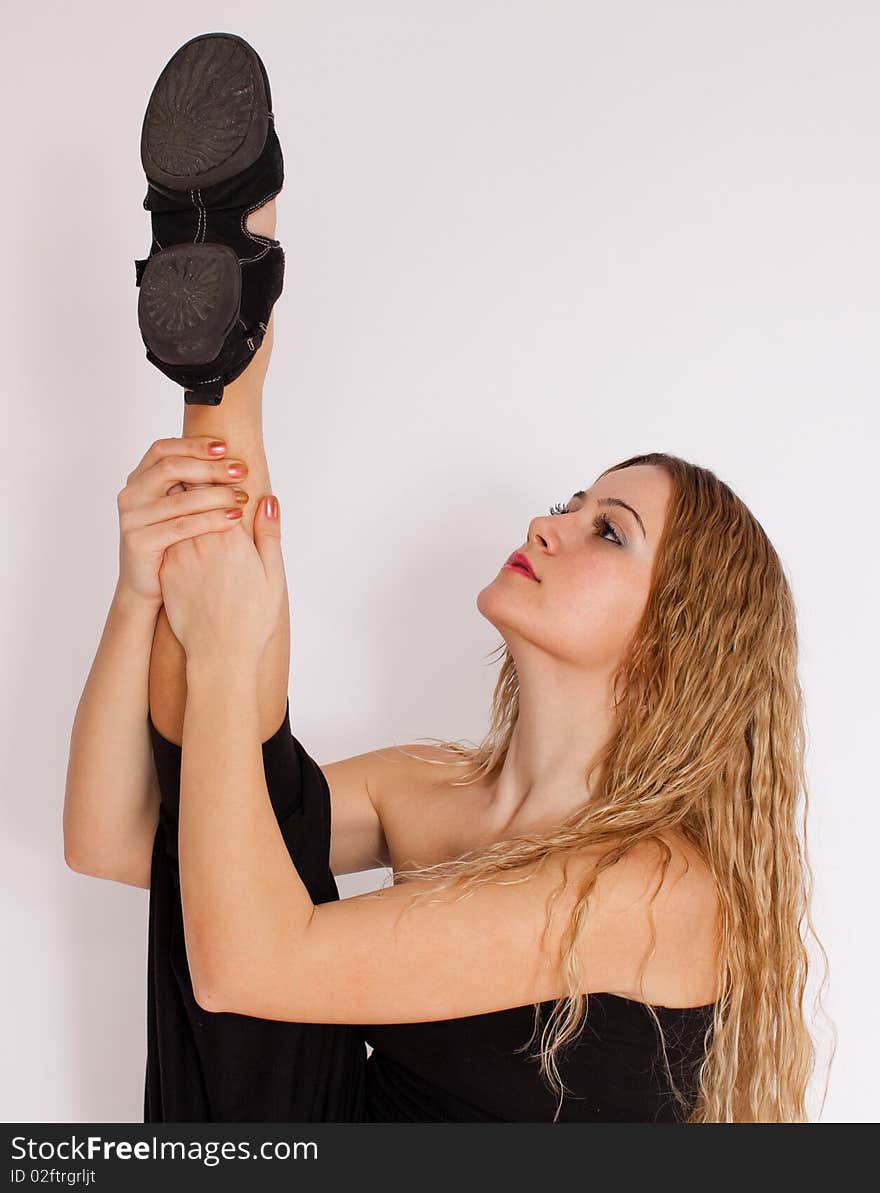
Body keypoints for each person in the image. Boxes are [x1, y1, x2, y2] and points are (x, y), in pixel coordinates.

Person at [64, 33, 831, 1124]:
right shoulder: (438, 792)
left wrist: (230, 650)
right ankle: (226, 350)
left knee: (247, 841)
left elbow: (245, 970)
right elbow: (117, 838)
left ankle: (232, 326)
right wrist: (141, 587)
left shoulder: (655, 886)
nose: (550, 522)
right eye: (573, 500)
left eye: (607, 530)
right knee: (246, 800)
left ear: (678, 634)